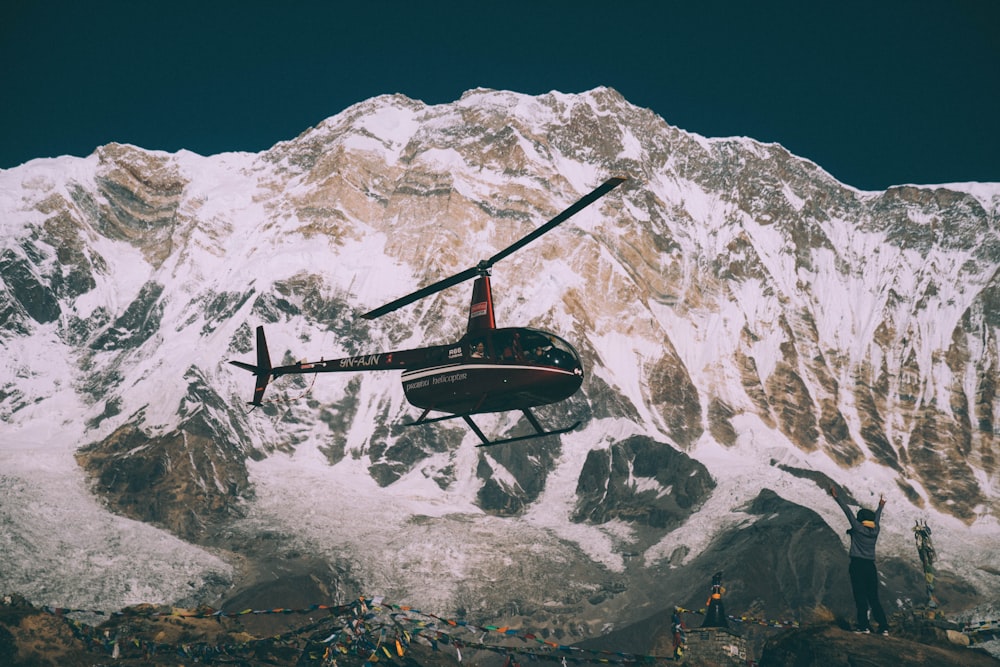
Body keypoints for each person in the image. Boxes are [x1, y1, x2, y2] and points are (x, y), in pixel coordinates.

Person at [829, 486, 888, 634]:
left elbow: (847, 512)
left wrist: (836, 497)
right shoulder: (875, 530)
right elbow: (877, 518)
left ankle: (864, 626)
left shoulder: (857, 528)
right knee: (873, 597)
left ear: (861, 519)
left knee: (860, 595)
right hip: (870, 566)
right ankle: (884, 627)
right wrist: (880, 507)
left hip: (857, 565)